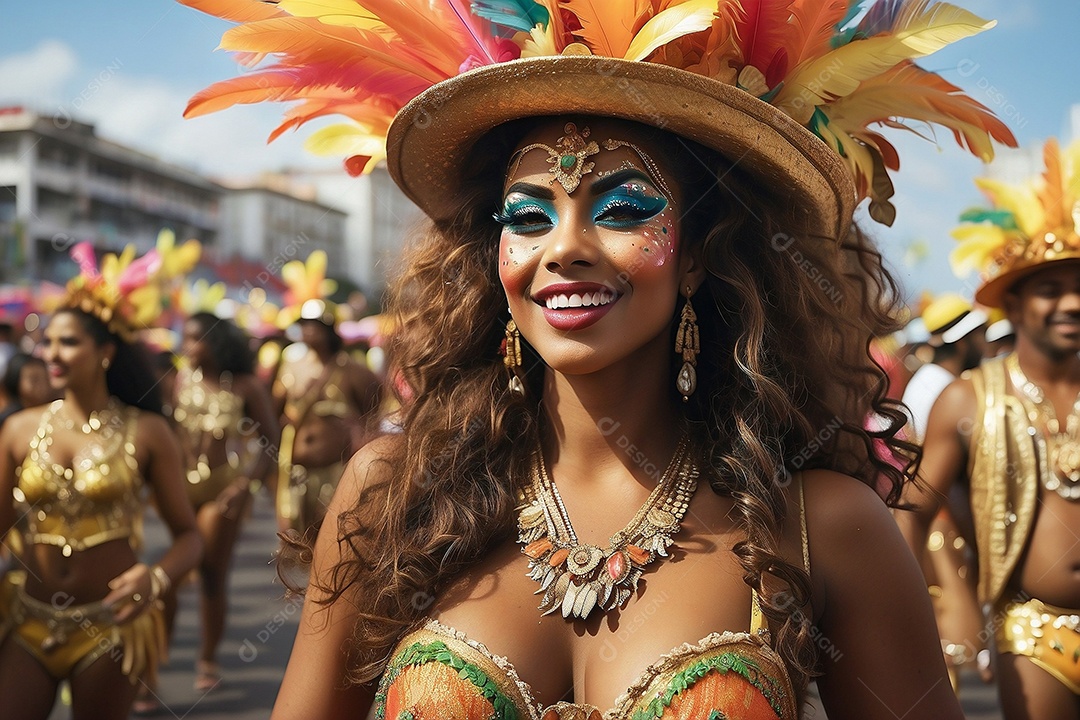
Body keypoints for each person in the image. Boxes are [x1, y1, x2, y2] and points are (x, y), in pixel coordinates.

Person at [183, 1, 1014, 718]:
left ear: (697, 257)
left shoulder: (818, 524)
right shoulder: (397, 493)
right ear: (494, 256)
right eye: (529, 216)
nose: (566, 249)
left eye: (623, 208)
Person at [898, 137, 1080, 719]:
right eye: (1051, 290)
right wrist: (917, 617)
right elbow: (915, 510)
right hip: (1036, 631)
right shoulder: (967, 400)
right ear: (1017, 305)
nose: (1071, 304)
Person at [0, 242, 202, 720]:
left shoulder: (147, 431)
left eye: (68, 342)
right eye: (47, 341)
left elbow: (189, 538)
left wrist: (154, 579)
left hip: (110, 626)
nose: (52, 352)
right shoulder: (18, 429)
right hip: (28, 618)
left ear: (106, 351)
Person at [169, 311, 279, 693]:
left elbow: (270, 441)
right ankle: (152, 662)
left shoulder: (244, 386)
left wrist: (245, 485)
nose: (187, 347)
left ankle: (207, 657)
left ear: (215, 342)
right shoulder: (178, 382)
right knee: (167, 575)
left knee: (212, 574)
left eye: (195, 338)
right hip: (181, 490)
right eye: (185, 338)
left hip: (223, 491)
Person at [899, 294, 987, 689]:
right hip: (938, 521)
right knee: (945, 624)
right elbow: (929, 477)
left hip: (942, 519)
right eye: (980, 335)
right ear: (964, 341)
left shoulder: (938, 381)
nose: (986, 345)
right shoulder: (942, 388)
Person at [271, 259, 381, 538]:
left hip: (337, 473)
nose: (308, 330)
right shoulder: (290, 365)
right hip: (296, 473)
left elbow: (374, 413)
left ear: (330, 329)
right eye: (304, 324)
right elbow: (273, 412)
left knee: (333, 543)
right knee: (296, 547)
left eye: (316, 325)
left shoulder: (353, 370)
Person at [0, 353, 51, 429]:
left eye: (45, 378)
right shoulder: (8, 422)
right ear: (15, 381)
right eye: (34, 379)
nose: (42, 385)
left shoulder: (54, 414)